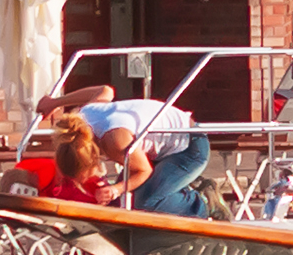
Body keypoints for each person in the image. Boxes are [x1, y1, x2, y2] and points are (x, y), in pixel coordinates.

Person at [77, 81, 213, 217]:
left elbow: (144, 171)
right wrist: (56, 103)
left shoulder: (114, 140)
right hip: (159, 150)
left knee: (144, 203)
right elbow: (105, 90)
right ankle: (175, 187)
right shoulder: (84, 114)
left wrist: (115, 189)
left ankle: (205, 204)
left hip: (189, 147)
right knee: (118, 203)